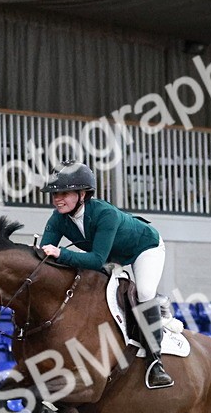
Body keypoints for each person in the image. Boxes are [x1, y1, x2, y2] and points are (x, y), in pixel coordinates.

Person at [40, 162, 173, 390]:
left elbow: (95, 260)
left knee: (144, 291)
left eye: (64, 193)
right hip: (112, 254)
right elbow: (44, 254)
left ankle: (156, 363)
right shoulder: (58, 218)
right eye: (55, 193)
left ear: (82, 194)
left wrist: (61, 253)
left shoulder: (105, 214)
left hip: (144, 247)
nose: (57, 199)